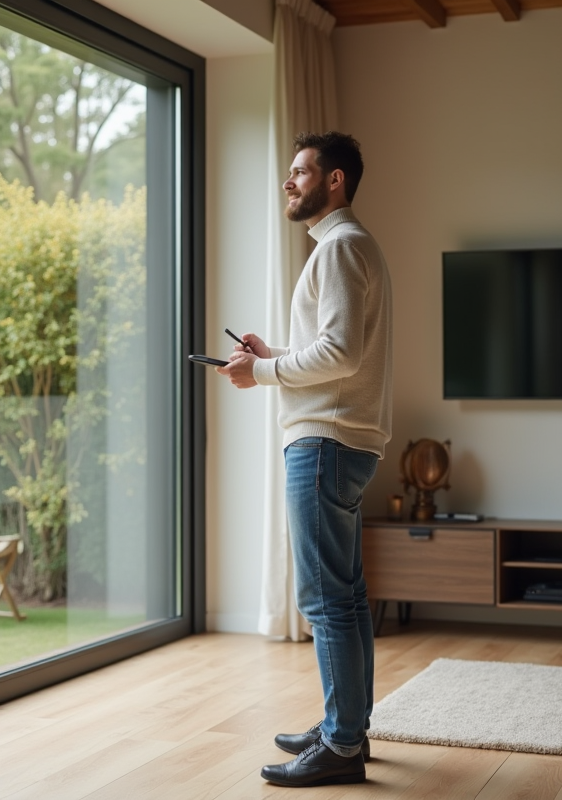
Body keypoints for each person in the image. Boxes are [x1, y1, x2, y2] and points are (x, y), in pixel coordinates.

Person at [219, 131, 393, 787]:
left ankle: (343, 744)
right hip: (344, 439)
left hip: (323, 442)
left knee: (325, 601)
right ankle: (345, 728)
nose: (289, 182)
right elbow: (333, 350)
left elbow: (341, 354)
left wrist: (262, 370)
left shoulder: (341, 248)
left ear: (335, 181)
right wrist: (277, 353)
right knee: (346, 599)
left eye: (301, 172)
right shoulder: (349, 247)